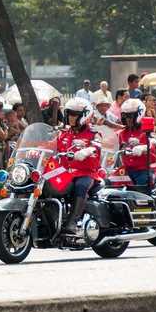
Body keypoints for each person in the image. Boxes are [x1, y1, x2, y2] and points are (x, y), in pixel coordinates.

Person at [56, 98, 102, 234]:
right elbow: (50, 146)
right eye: (69, 114)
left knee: (81, 186)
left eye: (74, 115)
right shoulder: (63, 134)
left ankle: (72, 222)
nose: (70, 117)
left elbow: (97, 146)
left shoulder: (93, 134)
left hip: (86, 173)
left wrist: (86, 151)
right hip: (66, 174)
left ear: (84, 116)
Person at [117, 98, 156, 186]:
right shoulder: (122, 133)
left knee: (143, 183)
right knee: (111, 183)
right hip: (127, 170)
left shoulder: (148, 130)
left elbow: (154, 142)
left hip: (146, 169)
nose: (127, 119)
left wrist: (143, 147)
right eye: (125, 116)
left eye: (130, 116)